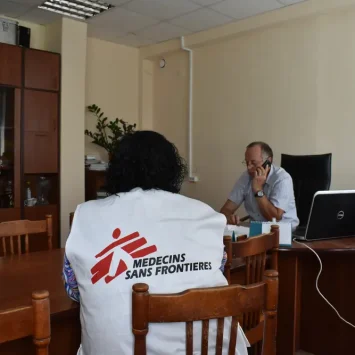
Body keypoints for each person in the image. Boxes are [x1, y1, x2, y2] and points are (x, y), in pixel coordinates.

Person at [63, 131, 249, 355]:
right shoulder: (204, 213)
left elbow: (75, 291)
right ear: (172, 170)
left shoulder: (87, 215)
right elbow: (216, 270)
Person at [221, 141, 299, 230]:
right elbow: (225, 210)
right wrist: (229, 217)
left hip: (283, 232)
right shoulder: (246, 176)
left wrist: (258, 190)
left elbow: (275, 218)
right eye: (247, 163)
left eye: (253, 163)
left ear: (268, 162)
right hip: (256, 230)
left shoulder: (282, 179)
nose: (249, 168)